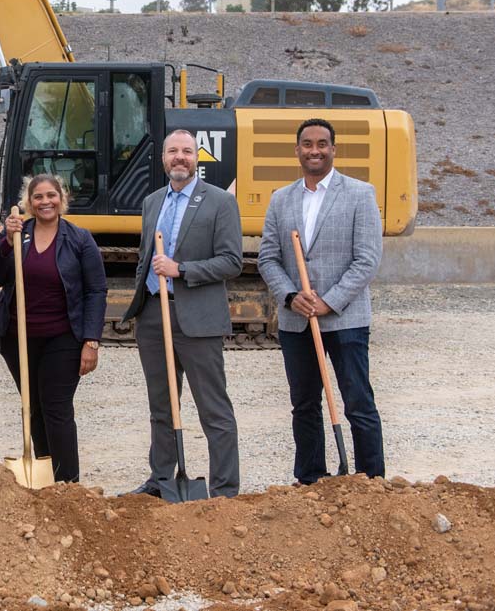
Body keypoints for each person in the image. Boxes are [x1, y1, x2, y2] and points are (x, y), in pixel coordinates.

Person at [257, 117, 384, 485]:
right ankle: (311, 477)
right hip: (297, 321)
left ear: (333, 149)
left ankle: (371, 481)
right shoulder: (281, 199)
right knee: (305, 404)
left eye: (322, 144)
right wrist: (290, 296)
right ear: (297, 150)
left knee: (358, 401)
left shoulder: (360, 194)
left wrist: (329, 302)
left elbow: (367, 259)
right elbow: (268, 258)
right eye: (308, 144)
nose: (315, 150)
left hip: (346, 319)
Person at [122, 129, 243, 498]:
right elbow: (146, 257)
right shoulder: (152, 202)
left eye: (187, 151)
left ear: (196, 158)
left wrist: (182, 270)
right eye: (173, 151)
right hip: (153, 316)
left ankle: (224, 490)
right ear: (163, 158)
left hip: (198, 318)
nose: (180, 157)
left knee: (213, 408)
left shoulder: (220, 202)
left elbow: (231, 261)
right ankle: (161, 479)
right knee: (161, 405)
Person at [0, 174, 106, 482]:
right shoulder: (15, 232)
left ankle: (68, 483)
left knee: (56, 407)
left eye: (51, 195)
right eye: (38, 196)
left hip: (62, 338)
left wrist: (91, 341)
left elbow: (96, 291)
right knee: (33, 408)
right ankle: (45, 478)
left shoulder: (79, 239)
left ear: (62, 199)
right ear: (29, 202)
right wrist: (6, 244)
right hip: (18, 339)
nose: (45, 201)